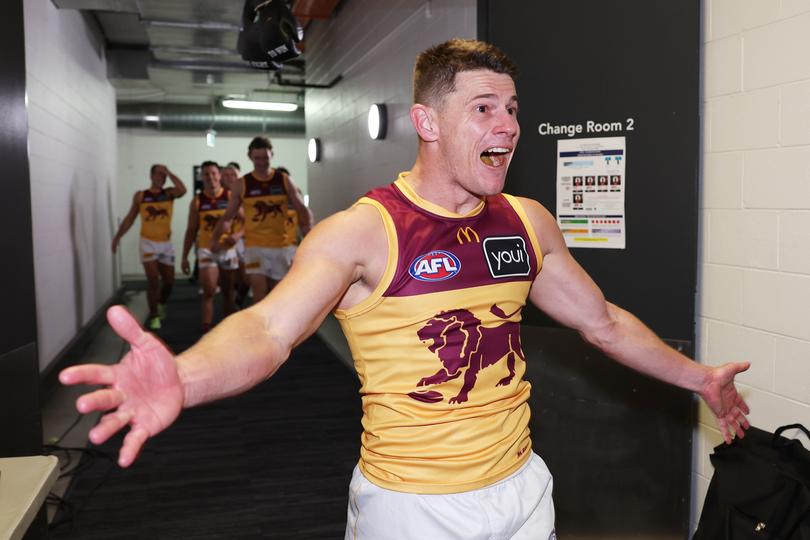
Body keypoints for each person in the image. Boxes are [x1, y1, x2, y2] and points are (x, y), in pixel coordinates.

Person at [63, 39, 750, 539]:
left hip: (522, 488)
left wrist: (700, 378)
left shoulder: (526, 221)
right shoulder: (362, 233)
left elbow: (603, 322)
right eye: (484, 108)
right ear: (427, 123)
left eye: (511, 109)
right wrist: (183, 376)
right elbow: (270, 330)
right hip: (414, 508)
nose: (507, 126)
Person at [211, 137, 313, 302]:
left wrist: (308, 232)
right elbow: (227, 217)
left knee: (278, 296)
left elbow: (302, 209)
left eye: (265, 157)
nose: (261, 162)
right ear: (250, 157)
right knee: (259, 295)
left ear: (272, 155)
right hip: (255, 247)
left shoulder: (284, 180)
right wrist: (215, 239)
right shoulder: (242, 184)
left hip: (281, 247)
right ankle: (260, 327)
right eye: (257, 158)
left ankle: (279, 327)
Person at [111, 164, 186, 330]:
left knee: (169, 282)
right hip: (148, 243)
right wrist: (117, 237)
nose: (161, 177)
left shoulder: (168, 194)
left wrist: (170, 172)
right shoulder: (141, 196)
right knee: (153, 280)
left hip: (165, 244)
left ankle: (161, 303)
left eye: (163, 175)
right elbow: (130, 217)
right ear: (151, 176)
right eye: (158, 174)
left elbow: (183, 190)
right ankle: (154, 316)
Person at [181, 161, 240, 333]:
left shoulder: (230, 196)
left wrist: (237, 235)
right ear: (202, 177)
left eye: (213, 173)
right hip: (207, 249)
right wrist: (185, 256)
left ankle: (228, 329)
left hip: (227, 249)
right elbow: (191, 230)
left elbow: (247, 221)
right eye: (206, 174)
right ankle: (206, 331)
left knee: (229, 293)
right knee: (209, 291)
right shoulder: (198, 201)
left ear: (219, 175)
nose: (210, 177)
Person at [220, 161, 250, 307]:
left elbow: (250, 220)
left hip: (242, 240)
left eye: (233, 174)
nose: (229, 177)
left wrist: (239, 234)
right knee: (229, 282)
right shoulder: (217, 194)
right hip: (224, 242)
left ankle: (237, 301)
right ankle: (231, 308)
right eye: (226, 175)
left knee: (245, 280)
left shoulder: (245, 193)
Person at [274, 166, 314, 246]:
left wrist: (306, 227)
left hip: (293, 230)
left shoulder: (295, 191)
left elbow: (303, 210)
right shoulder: (272, 193)